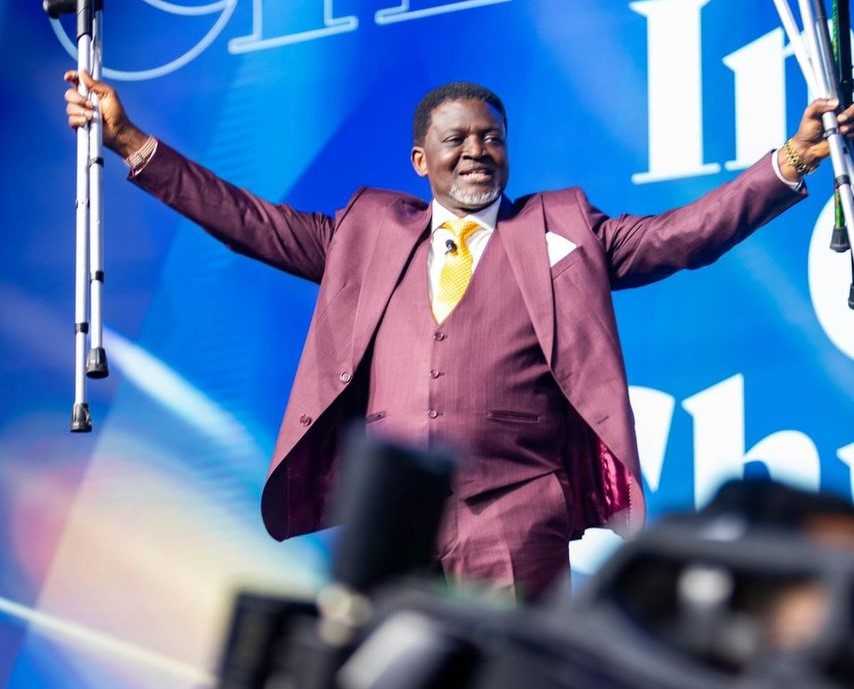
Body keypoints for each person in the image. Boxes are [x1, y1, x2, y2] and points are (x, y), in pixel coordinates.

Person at [64, 70, 854, 601]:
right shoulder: (367, 233)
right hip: (396, 515)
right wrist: (133, 143)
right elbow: (250, 222)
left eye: (491, 138)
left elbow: (682, 236)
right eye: (458, 139)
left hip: (515, 509)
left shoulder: (562, 229)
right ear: (422, 159)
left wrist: (786, 162)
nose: (478, 151)